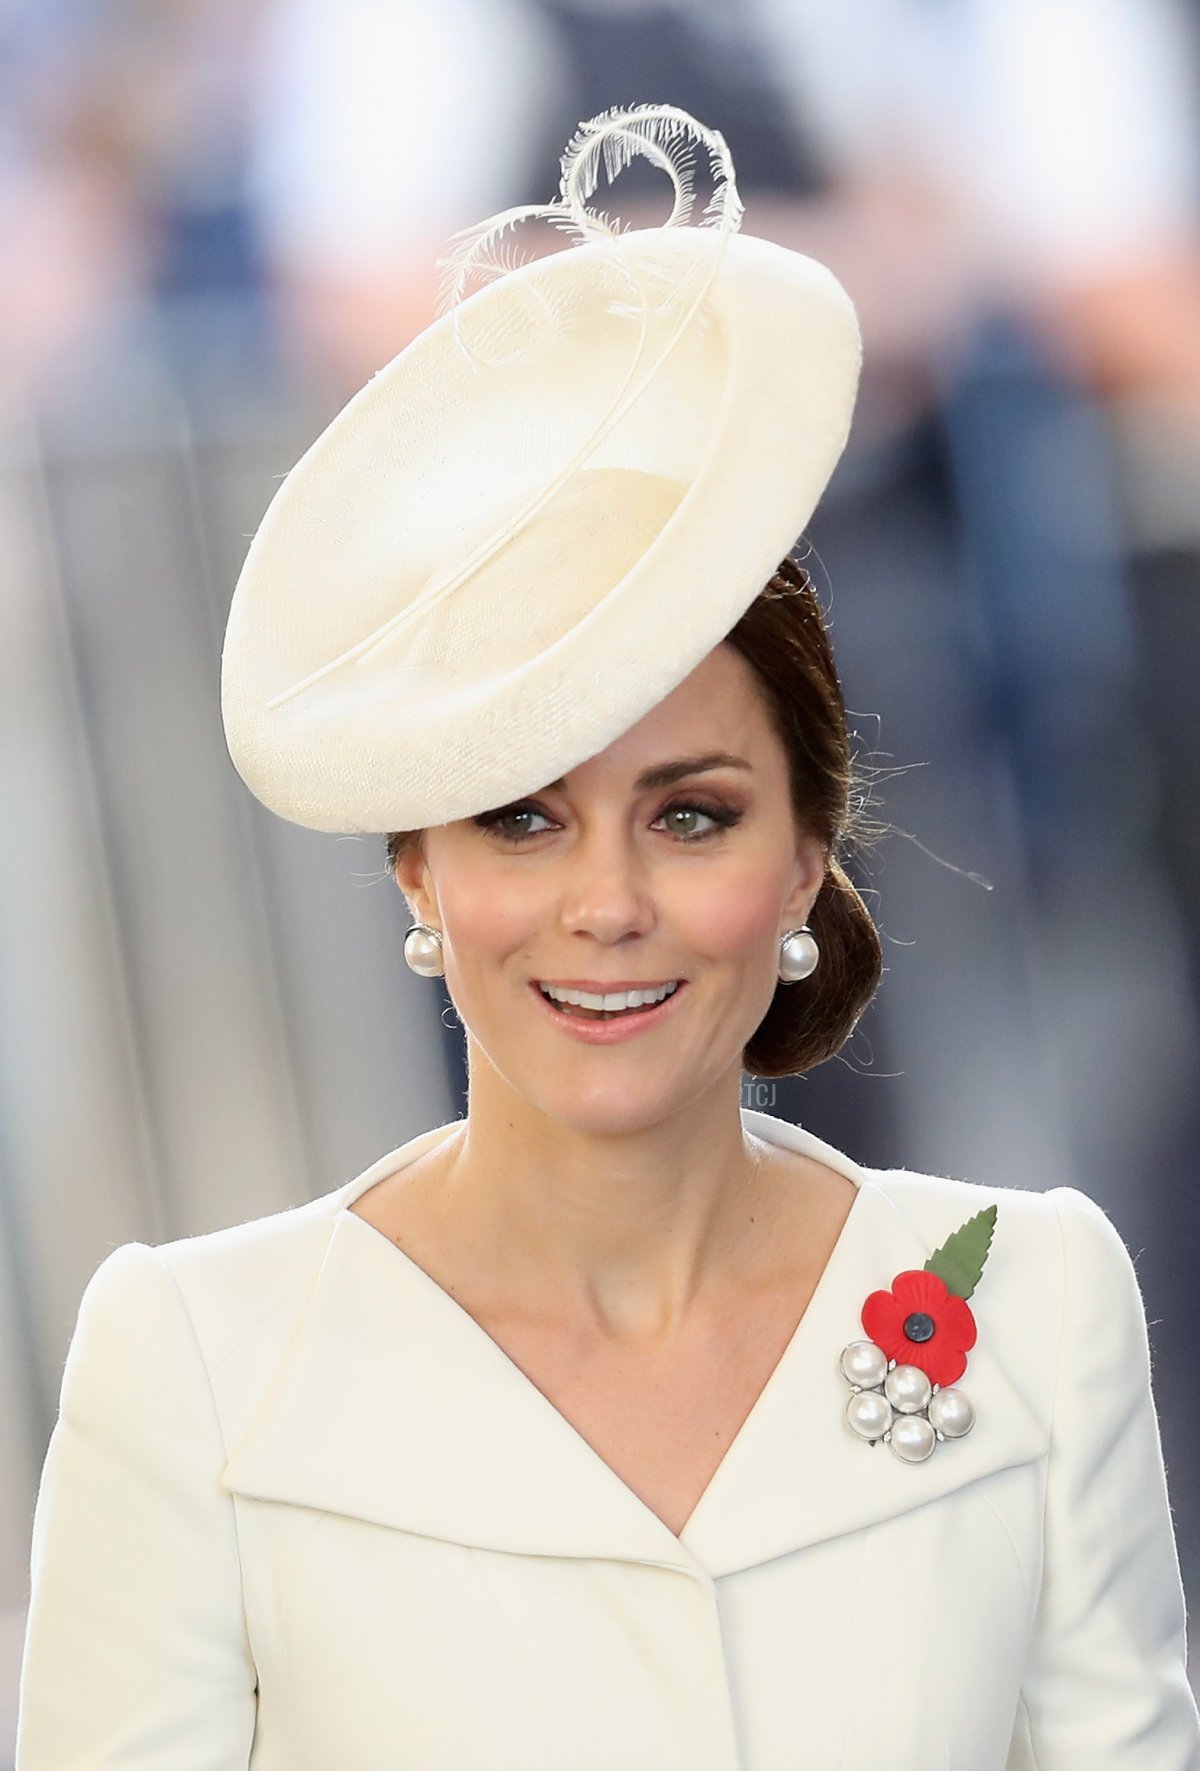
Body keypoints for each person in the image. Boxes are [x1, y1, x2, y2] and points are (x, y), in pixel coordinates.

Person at [15, 102, 1199, 1770]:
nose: (608, 901)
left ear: (805, 863)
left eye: (693, 814)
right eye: (520, 815)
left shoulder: (1032, 1308)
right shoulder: (198, 1365)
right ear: (416, 873)